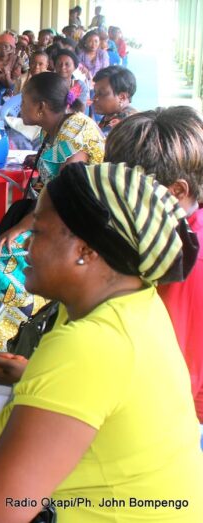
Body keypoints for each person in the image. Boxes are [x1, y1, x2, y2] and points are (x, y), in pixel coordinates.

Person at [0, 162, 203, 523]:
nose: (25, 244)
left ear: (87, 251)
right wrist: (31, 378)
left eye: (39, 231)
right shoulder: (132, 302)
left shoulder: (89, 344)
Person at [0, 72, 104, 350]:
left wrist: (24, 226)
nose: (19, 108)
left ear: (42, 107)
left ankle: (7, 329)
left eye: (24, 102)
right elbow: (55, 173)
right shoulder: (54, 128)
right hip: (54, 213)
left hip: (76, 221)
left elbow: (68, 194)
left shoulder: (75, 131)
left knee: (6, 250)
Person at [104, 107, 203, 424]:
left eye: (125, 190)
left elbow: (168, 384)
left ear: (176, 192)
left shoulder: (184, 262)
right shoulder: (174, 234)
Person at [92, 65, 137, 134]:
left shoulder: (123, 124)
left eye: (101, 93)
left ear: (122, 97)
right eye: (95, 92)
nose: (95, 98)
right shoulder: (112, 114)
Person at [54, 48, 90, 113]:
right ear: (55, 66)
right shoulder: (49, 83)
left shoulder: (80, 86)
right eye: (59, 64)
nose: (63, 67)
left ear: (74, 67)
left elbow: (80, 111)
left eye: (67, 64)